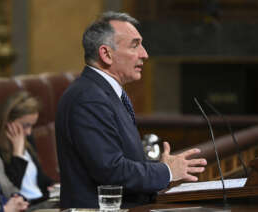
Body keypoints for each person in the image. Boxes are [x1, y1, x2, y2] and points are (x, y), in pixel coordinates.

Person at [55, 11, 207, 209]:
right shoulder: (89, 99)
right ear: (106, 54)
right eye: (135, 45)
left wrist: (158, 168)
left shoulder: (103, 92)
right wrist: (166, 171)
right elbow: (111, 171)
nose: (145, 54)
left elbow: (119, 160)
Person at [0, 91, 55, 206]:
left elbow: (38, 177)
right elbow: (11, 188)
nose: (29, 132)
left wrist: (54, 185)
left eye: (32, 125)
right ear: (8, 121)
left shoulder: (27, 139)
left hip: (43, 201)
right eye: (25, 125)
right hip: (26, 206)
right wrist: (18, 153)